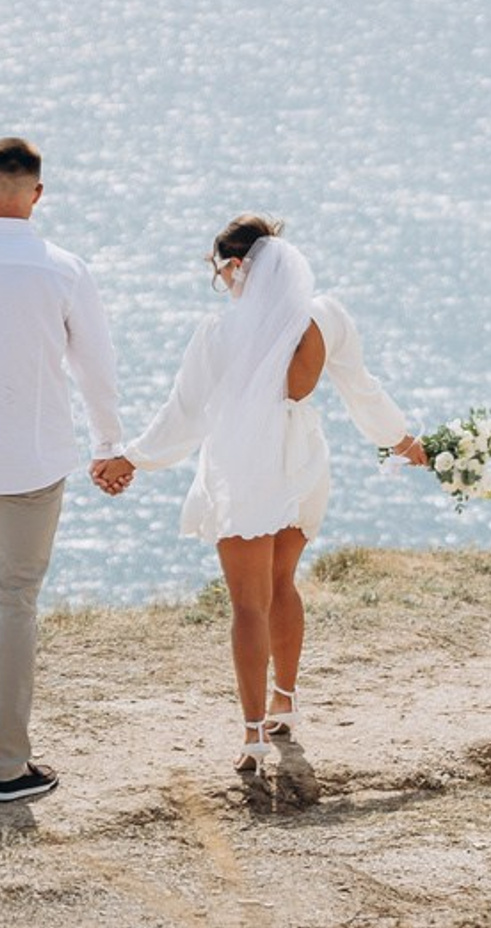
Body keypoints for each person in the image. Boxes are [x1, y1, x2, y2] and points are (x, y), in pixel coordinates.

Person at [95, 214, 427, 774]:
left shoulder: (220, 333)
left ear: (234, 268)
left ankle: (252, 735)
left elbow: (184, 413)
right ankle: (287, 704)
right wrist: (401, 439)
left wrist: (132, 458)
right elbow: (360, 388)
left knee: (248, 603)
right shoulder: (325, 317)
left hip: (245, 467)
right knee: (282, 582)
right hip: (302, 463)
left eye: (220, 273)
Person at [0, 137, 126, 803]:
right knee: (12, 603)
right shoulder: (64, 269)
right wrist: (109, 444)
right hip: (29, 464)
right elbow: (95, 369)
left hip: (31, 464)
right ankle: (6, 766)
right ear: (37, 195)